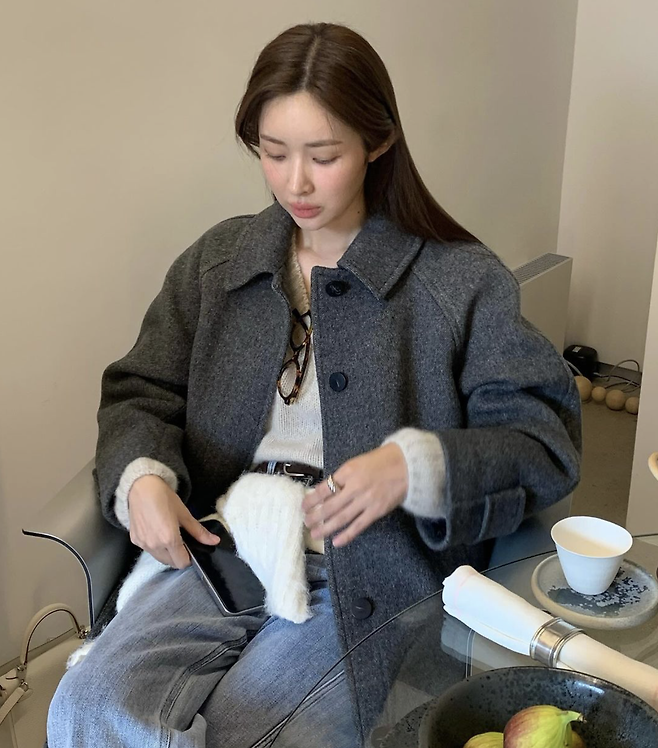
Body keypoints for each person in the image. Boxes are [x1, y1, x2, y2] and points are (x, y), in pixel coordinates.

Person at [47, 21, 581, 748]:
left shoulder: (458, 281)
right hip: (223, 544)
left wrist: (413, 467)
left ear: (378, 142)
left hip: (366, 576)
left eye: (323, 156)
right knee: (87, 708)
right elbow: (142, 387)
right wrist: (142, 478)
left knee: (244, 734)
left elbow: (542, 437)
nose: (295, 182)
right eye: (273, 153)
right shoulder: (219, 263)